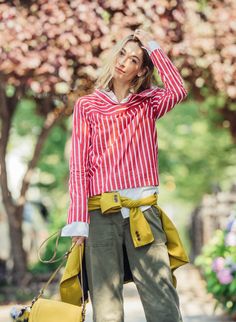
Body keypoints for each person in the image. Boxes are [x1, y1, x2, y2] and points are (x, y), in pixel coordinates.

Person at [61, 28, 189, 322]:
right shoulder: (87, 106)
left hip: (142, 213)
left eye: (134, 59)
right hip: (100, 215)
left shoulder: (149, 103)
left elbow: (178, 90)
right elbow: (79, 168)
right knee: (106, 309)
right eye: (122, 53)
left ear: (141, 70)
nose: (124, 62)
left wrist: (153, 45)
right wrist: (78, 223)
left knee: (162, 300)